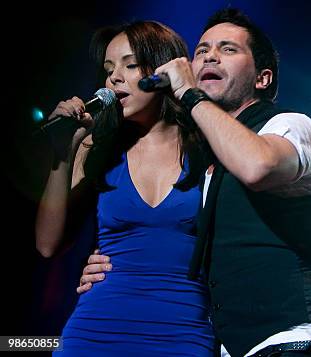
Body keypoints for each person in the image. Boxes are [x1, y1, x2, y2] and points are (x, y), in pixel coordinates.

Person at [78, 8, 311, 357]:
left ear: (262, 79)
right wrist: (113, 266)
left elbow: (258, 166)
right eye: (202, 50)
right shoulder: (206, 160)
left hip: (292, 339)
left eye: (228, 49)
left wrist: (191, 95)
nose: (210, 56)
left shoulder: (291, 125)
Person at [35, 21, 215, 355]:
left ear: (164, 69)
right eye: (109, 68)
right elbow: (47, 245)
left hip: (184, 331)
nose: (114, 77)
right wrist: (62, 154)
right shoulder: (95, 146)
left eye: (129, 65)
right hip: (95, 329)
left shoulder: (208, 144)